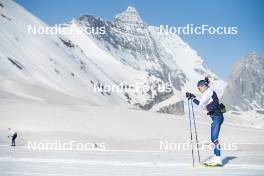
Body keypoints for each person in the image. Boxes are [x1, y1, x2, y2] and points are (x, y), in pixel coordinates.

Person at [186, 78, 224, 167]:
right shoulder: (208, 93)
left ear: (203, 86)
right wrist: (193, 98)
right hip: (217, 117)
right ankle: (216, 159)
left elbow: (200, 105)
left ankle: (218, 160)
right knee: (213, 139)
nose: (199, 90)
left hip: (217, 117)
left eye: (199, 88)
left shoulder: (208, 92)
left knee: (214, 139)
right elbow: (203, 105)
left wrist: (192, 97)